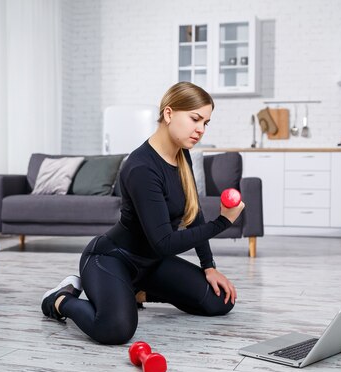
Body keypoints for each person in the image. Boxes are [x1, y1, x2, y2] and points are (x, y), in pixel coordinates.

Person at [40, 82, 245, 345]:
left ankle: (135, 293)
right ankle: (60, 299)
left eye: (206, 123)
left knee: (220, 301)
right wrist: (224, 222)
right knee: (115, 329)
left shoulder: (182, 156)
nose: (201, 130)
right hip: (112, 259)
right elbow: (165, 242)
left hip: (152, 264)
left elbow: (193, 214)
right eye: (195, 119)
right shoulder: (141, 167)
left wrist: (209, 267)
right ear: (169, 114)